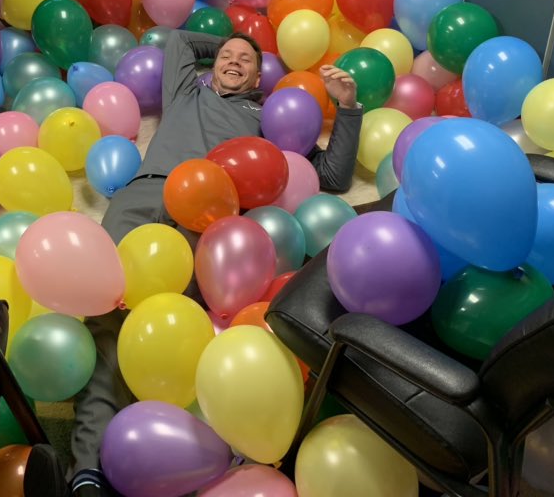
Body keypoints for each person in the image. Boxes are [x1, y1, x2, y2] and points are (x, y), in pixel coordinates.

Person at [33, 29, 363, 496]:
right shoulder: (187, 90)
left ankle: (148, 462)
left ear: (259, 77)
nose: (233, 61)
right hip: (146, 192)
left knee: (166, 325)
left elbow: (333, 175)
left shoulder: (271, 117)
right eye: (226, 55)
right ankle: (88, 471)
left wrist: (348, 107)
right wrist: (233, 42)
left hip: (208, 216)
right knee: (108, 313)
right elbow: (181, 45)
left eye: (245, 60)